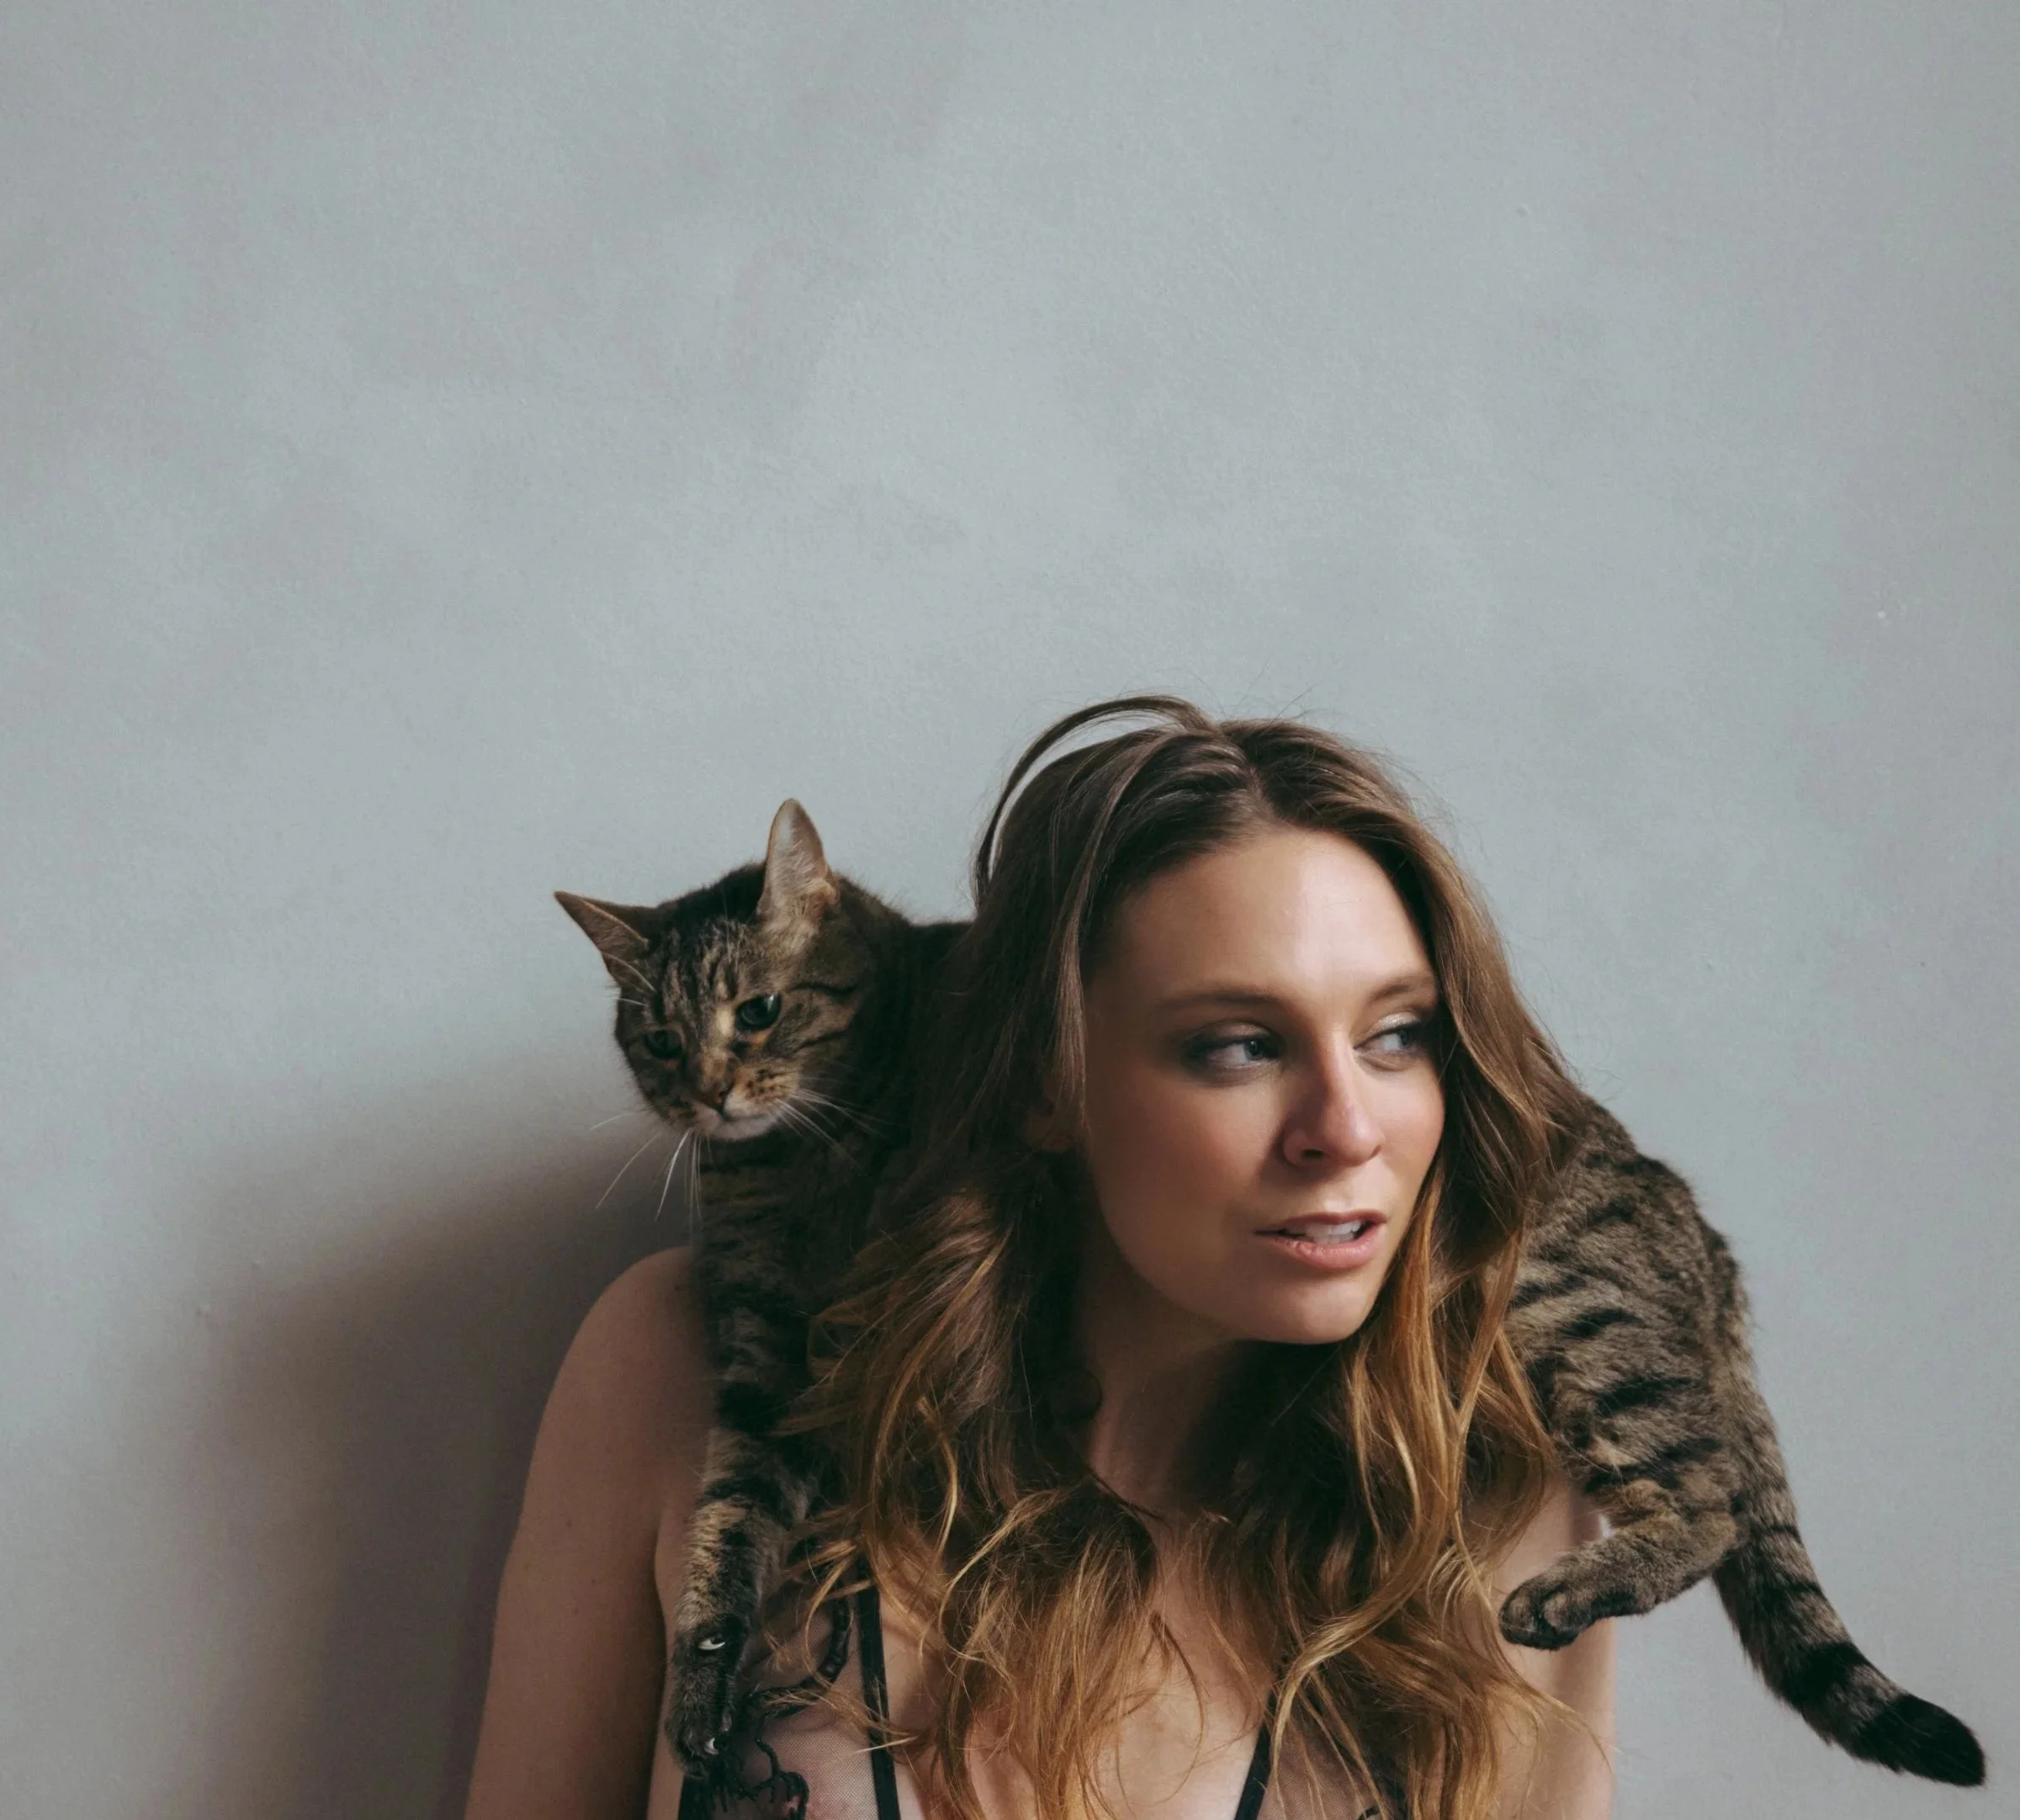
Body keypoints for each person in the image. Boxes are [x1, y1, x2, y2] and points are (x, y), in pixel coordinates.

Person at [464, 697, 1615, 1820]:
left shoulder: (1509, 1496)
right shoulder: (675, 1367)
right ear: (1045, 1083)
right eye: (1239, 1044)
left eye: (1395, 1034)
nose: (1346, 1126)